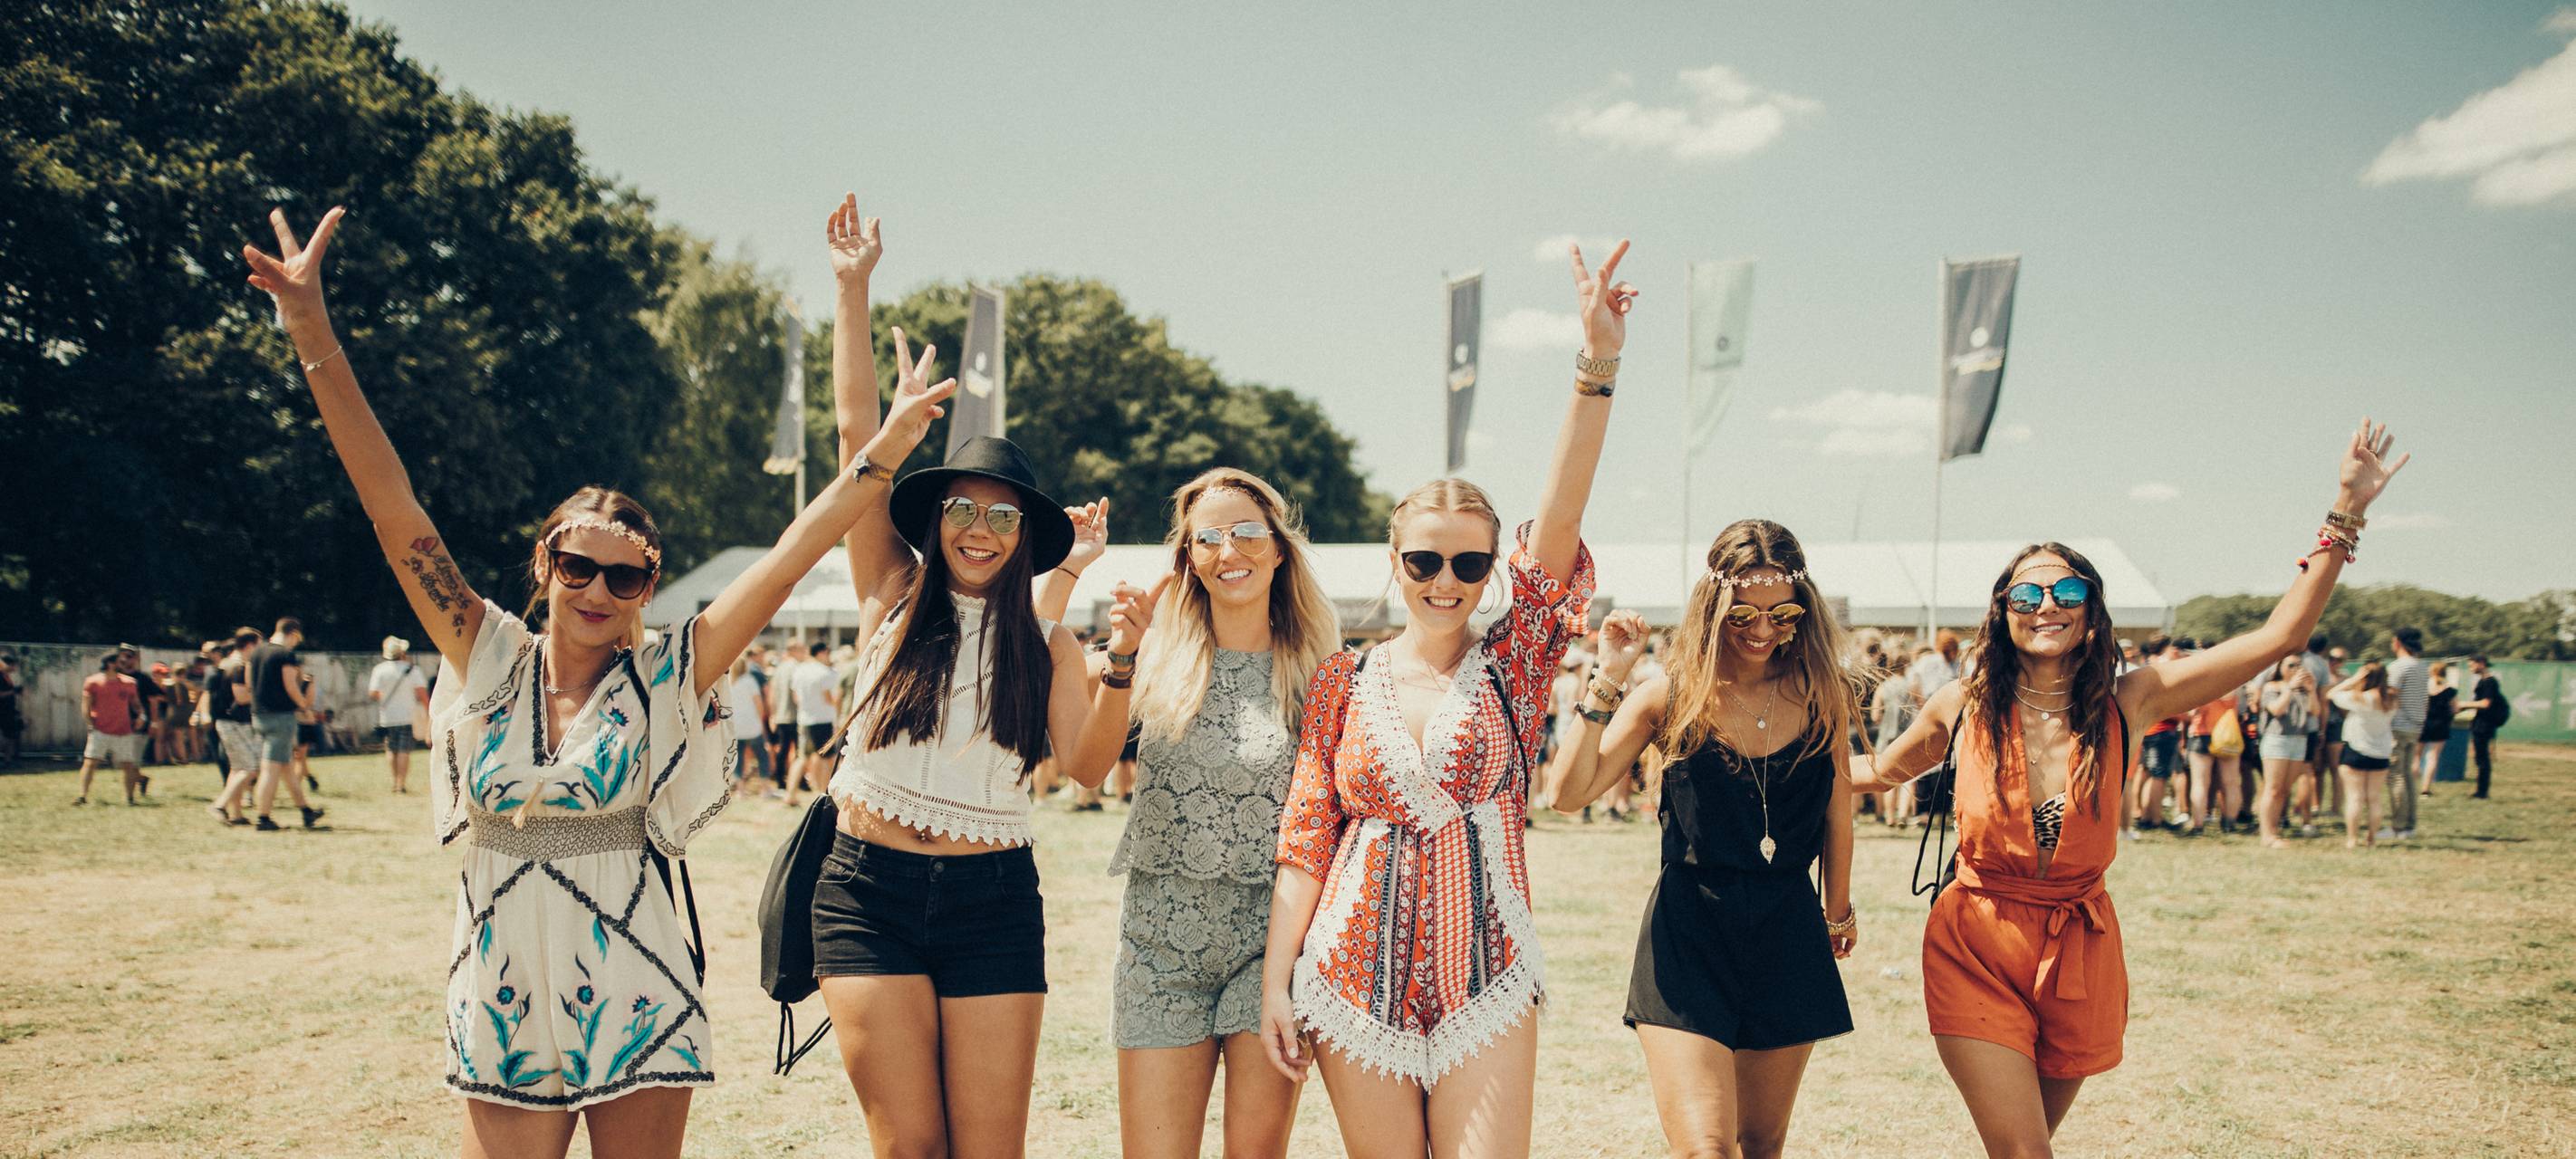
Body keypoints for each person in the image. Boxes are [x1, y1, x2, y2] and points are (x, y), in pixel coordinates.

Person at [244, 202, 924, 1156]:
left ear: (649, 583)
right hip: (498, 977)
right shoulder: (484, 650)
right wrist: (309, 324)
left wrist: (882, 453)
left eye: (627, 573)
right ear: (544, 565)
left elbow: (786, 555)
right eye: (578, 567)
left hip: (636, 982)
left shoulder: (669, 671)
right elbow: (390, 505)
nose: (599, 589)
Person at [1848, 419, 2406, 1157]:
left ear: (2090, 610)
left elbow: (2276, 639)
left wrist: (2348, 510)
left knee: (2023, 1144)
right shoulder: (1963, 702)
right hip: (1974, 941)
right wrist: (1747, 758)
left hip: (2079, 947)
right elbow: (1880, 771)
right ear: (2003, 612)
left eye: (2067, 589)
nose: (2047, 605)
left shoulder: (2130, 700)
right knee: (2024, 1151)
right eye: (2028, 595)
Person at [1260, 238, 1629, 1158]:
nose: (1445, 579)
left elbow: (1565, 517)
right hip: (1350, 971)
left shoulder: (1517, 662)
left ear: (1489, 569)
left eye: (1468, 562)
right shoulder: (1343, 680)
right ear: (1396, 564)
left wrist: (1597, 365)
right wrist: (1277, 980)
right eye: (1424, 560)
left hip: (1488, 966)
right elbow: (1307, 837)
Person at [800, 196, 1127, 1159]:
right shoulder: (887, 592)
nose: (980, 530)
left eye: (1003, 517)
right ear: (935, 518)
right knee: (909, 1148)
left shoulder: (1045, 637)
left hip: (992, 902)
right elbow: (858, 439)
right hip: (865, 892)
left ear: (1026, 536)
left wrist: (1120, 667)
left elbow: (1090, 769)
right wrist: (851, 292)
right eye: (963, 510)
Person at [1039, 468, 1341, 1159]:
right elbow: (1083, 765)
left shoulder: (1325, 670)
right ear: (1188, 558)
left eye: (1246, 533)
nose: (1228, 551)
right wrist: (1113, 644)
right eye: (1208, 538)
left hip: (1273, 951)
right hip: (1158, 947)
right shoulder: (1151, 654)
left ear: (1279, 548)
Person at [1545, 519, 1863, 1159]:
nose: (1763, 629)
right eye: (1743, 612)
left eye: (1783, 613)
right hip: (1688, 932)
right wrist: (1610, 675)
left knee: (1760, 1144)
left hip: (1787, 929)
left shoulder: (1822, 694)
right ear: (1712, 606)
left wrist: (1838, 908)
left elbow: (1838, 813)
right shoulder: (1671, 695)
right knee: (1706, 1148)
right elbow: (1567, 793)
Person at [244, 618, 323, 830]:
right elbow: (290, 685)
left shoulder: (257, 652)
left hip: (258, 715)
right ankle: (263, 818)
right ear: (293, 633)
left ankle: (306, 811)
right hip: (280, 717)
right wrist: (304, 705)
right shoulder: (284, 655)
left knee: (286, 766)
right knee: (270, 769)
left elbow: (249, 684)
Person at [2328, 663, 2399, 848]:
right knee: (2374, 798)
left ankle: (2352, 839)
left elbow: (2332, 694)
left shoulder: (2361, 698)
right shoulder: (2391, 699)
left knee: (2355, 797)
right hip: (2381, 752)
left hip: (2356, 749)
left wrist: (2353, 679)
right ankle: (2371, 839)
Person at [2254, 654, 2321, 848]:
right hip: (2277, 740)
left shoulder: (2303, 689)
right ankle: (2267, 835)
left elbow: (2315, 711)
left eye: (2299, 665)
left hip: (2299, 739)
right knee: (2273, 788)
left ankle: (2274, 830)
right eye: (2291, 665)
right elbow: (2276, 710)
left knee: (2283, 790)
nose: (2296, 669)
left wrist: (2312, 690)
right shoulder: (2271, 687)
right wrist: (2290, 688)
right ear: (2280, 667)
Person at [207, 629, 264, 825]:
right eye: (259, 644)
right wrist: (263, 695)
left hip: (228, 722)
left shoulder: (228, 663)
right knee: (251, 768)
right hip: (235, 723)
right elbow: (241, 697)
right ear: (249, 645)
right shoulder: (239, 666)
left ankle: (236, 814)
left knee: (239, 768)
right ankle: (219, 805)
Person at [2129, 636, 2184, 837]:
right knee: (2159, 776)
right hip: (2161, 729)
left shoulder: (2148, 667)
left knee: (2148, 773)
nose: (2176, 651)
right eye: (2173, 648)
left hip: (2150, 730)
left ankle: (2145, 814)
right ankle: (2154, 817)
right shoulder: (2163, 669)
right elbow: (2166, 705)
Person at [74, 653, 145, 805]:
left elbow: (136, 703)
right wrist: (90, 724)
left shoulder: (129, 682)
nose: (125, 663)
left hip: (124, 730)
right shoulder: (93, 682)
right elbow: (86, 705)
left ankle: (130, 799)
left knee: (128, 765)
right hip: (100, 730)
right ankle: (82, 796)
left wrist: (141, 716)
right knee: (90, 762)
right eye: (121, 661)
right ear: (110, 663)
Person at [2382, 627, 2429, 839]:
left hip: (2397, 727)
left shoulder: (2398, 667)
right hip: (2415, 726)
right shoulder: (2422, 667)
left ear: (2398, 642)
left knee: (2396, 777)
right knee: (2409, 777)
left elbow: (2391, 695)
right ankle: (2410, 824)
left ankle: (2398, 826)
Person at [369, 636, 430, 794]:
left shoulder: (379, 670)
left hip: (387, 717)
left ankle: (394, 781)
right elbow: (422, 694)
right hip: (407, 716)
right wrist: (429, 711)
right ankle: (401, 784)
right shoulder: (412, 670)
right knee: (404, 751)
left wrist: (386, 697)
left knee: (391, 750)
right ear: (402, 652)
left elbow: (373, 693)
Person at [785, 640, 839, 809]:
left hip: (804, 718)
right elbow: (829, 698)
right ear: (822, 653)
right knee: (827, 759)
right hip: (822, 719)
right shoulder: (825, 673)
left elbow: (796, 697)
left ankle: (790, 794)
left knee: (802, 758)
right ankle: (824, 795)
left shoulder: (800, 670)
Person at [2461, 656, 2508, 799]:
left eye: (2472, 665)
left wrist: (2463, 705)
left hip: (2484, 724)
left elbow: (2485, 704)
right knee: (2480, 758)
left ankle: (2482, 791)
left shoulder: (2489, 682)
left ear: (2481, 664)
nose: (2470, 669)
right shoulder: (2484, 681)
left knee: (2482, 759)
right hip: (2481, 722)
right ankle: (2481, 790)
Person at [726, 655, 772, 798]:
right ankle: (764, 789)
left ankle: (740, 790)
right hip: (752, 724)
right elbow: (758, 704)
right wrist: (762, 722)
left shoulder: (729, 682)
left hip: (736, 726)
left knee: (738, 758)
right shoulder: (749, 681)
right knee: (762, 756)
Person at [2420, 662, 2456, 800]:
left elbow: (2422, 707)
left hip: (2423, 724)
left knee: (2416, 756)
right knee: (2433, 757)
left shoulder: (2424, 688)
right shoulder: (2449, 690)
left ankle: (2409, 786)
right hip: (2441, 725)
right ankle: (2425, 789)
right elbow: (2455, 709)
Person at [0, 651, 22, 768]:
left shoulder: (6, 677)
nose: (14, 667)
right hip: (2, 711)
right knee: (7, 736)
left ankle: (8, 761)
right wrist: (14, 691)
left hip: (8, 710)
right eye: (12, 664)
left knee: (11, 735)